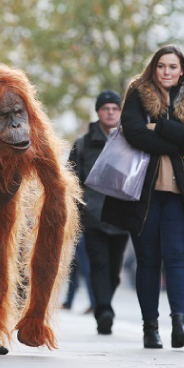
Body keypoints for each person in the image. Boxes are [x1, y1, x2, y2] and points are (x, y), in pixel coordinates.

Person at [102, 45, 184, 349]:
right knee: (148, 261)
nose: (166, 72)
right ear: (154, 67)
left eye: (172, 67)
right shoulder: (138, 93)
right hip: (142, 193)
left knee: (177, 258)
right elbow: (134, 132)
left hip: (181, 194)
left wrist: (160, 126)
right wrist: (177, 136)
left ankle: (179, 324)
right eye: (162, 66)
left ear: (181, 70)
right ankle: (151, 327)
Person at [69, 90, 130, 334]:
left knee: (114, 271)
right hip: (93, 217)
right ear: (98, 112)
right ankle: (103, 310)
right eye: (106, 108)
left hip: (122, 217)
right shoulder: (83, 144)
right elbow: (71, 179)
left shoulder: (130, 142)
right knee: (99, 265)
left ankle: (104, 305)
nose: (110, 112)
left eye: (115, 108)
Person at [61, 236, 95, 314]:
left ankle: (94, 303)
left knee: (86, 270)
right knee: (73, 269)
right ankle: (69, 302)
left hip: (82, 235)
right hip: (76, 236)